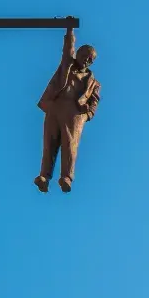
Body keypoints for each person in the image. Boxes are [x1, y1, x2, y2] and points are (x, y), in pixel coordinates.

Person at [35, 26, 101, 193]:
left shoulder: (94, 82)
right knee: (49, 143)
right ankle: (44, 176)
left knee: (70, 145)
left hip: (75, 113)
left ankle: (66, 177)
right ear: (78, 54)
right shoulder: (67, 65)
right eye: (84, 55)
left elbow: (94, 102)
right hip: (56, 106)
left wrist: (87, 115)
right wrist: (70, 30)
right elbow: (68, 48)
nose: (86, 60)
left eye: (90, 59)